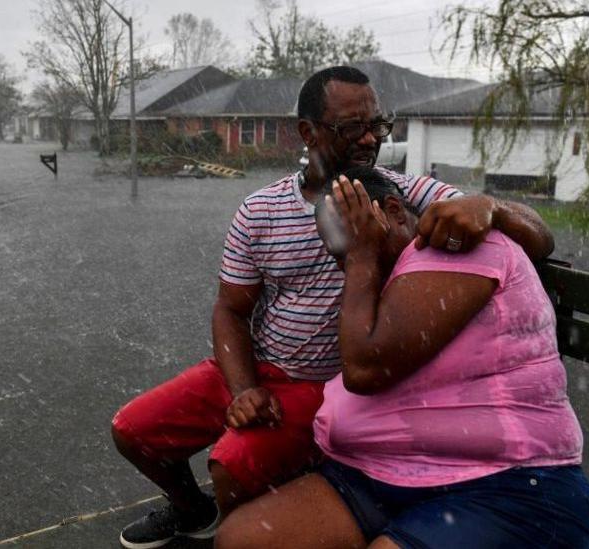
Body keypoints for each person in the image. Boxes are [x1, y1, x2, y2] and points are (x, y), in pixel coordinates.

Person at [109, 65, 556, 549]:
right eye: (351, 128)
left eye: (377, 126)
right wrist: (242, 388)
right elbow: (230, 310)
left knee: (232, 463)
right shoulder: (261, 210)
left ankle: (236, 518)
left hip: (319, 385)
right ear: (308, 132)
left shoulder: (401, 192)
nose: (369, 139)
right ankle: (195, 512)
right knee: (133, 431)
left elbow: (539, 237)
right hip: (252, 367)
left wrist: (490, 206)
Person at [214, 167, 589, 549]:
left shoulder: (456, 246)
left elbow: (366, 368)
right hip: (376, 476)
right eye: (338, 256)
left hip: (505, 484)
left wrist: (361, 255)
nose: (342, 267)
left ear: (395, 211)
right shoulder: (387, 275)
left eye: (349, 246)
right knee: (241, 540)